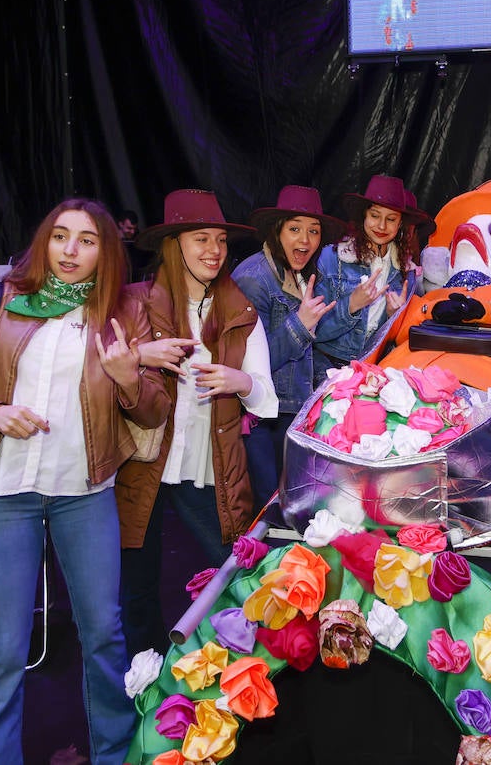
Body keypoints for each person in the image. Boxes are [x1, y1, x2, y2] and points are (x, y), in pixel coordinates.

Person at [0, 197, 168, 765]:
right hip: (2, 495)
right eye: (61, 236)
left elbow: (153, 412)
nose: (70, 250)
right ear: (44, 241)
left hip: (84, 496)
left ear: (105, 252)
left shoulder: (122, 314)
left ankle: (113, 753)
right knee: (4, 650)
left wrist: (128, 376)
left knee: (105, 637)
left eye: (87, 240)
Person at [115, 189, 278, 655]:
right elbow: (94, 378)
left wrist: (239, 381)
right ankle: (144, 683)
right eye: (201, 238)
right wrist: (137, 355)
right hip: (143, 465)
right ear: (175, 245)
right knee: (138, 589)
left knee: (233, 572)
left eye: (221, 240)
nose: (214, 250)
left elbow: (265, 401)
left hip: (208, 467)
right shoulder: (132, 304)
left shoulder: (240, 311)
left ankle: (230, 674)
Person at [231, 184, 347, 503]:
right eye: (295, 229)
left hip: (293, 410)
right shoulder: (254, 280)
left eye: (313, 231)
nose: (305, 240)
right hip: (262, 418)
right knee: (269, 508)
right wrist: (301, 324)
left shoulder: (302, 273)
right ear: (276, 231)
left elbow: (309, 351)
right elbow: (250, 365)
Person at [312, 174, 425, 377]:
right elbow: (315, 333)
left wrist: (395, 319)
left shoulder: (406, 271)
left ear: (400, 224)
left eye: (391, 219)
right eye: (375, 216)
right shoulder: (332, 257)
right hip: (326, 368)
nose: (381, 226)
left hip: (374, 370)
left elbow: (403, 341)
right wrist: (352, 305)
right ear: (364, 215)